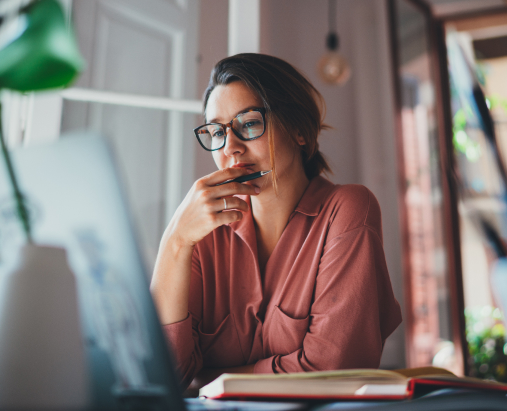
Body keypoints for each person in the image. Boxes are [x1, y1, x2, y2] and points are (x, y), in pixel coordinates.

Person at [150, 53, 402, 389]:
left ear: (298, 129)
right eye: (216, 132)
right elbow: (162, 377)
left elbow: (332, 370)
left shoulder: (348, 209)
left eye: (249, 123)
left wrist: (210, 379)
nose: (231, 149)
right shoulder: (201, 232)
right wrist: (175, 241)